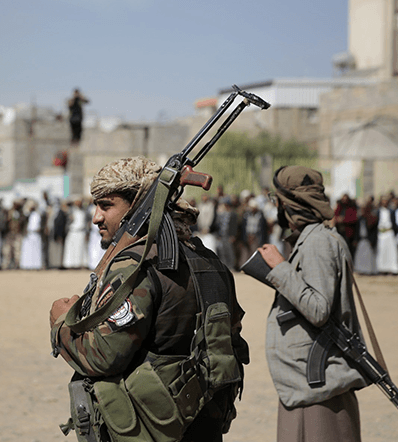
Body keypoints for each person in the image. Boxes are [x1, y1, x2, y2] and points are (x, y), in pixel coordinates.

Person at [50, 156, 249, 442]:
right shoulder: (210, 261)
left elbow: (103, 357)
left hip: (150, 429)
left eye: (106, 206)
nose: (96, 217)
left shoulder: (136, 267)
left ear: (138, 208)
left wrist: (60, 321)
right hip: (203, 426)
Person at [258, 166, 367, 442]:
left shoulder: (318, 242)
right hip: (306, 383)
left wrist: (280, 269)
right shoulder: (312, 239)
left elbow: (318, 309)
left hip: (319, 387)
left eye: (278, 201)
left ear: (288, 204)